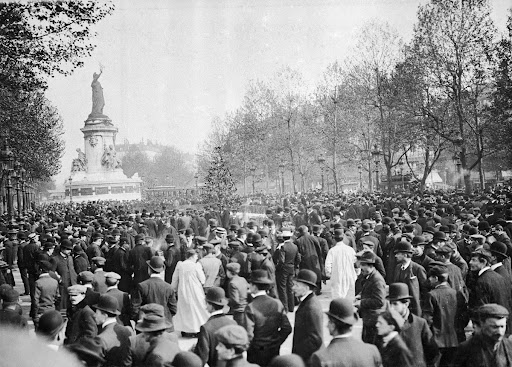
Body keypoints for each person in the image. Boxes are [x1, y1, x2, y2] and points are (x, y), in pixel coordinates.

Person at [310, 298, 382, 367]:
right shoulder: (371, 350)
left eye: (329, 322)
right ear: (351, 326)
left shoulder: (321, 357)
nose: (327, 325)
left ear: (333, 325)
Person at [243, 269, 292, 366]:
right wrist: (277, 341)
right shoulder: (277, 303)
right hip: (274, 349)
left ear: (255, 286)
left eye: (250, 284)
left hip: (256, 352)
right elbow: (287, 328)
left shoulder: (251, 307)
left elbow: (249, 334)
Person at [388, 283, 439, 367]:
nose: (391, 308)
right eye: (390, 303)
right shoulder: (385, 324)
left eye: (395, 304)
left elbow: (432, 352)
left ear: (406, 304)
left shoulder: (420, 323)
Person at [423, 264, 465, 367]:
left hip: (437, 342)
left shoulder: (431, 295)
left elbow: (427, 320)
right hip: (456, 340)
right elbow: (464, 316)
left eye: (430, 277)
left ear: (436, 278)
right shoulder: (458, 294)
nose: (429, 280)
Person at [195, 287, 237, 367]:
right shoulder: (233, 323)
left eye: (206, 303)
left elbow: (202, 358)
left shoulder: (206, 328)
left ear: (210, 305)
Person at [171, 250, 209, 337]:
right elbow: (203, 280)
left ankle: (185, 329)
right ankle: (197, 329)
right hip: (196, 290)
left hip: (183, 290)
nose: (197, 258)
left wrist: (174, 289)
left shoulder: (180, 265)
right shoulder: (196, 266)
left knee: (185, 309)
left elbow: (175, 279)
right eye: (196, 256)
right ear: (192, 256)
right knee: (197, 308)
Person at [133, 256, 177, 330]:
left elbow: (135, 308)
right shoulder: (169, 287)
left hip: (147, 326)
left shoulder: (142, 286)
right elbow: (173, 309)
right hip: (165, 326)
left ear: (149, 269)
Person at [291, 269, 324, 363]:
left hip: (308, 359)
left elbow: (316, 339)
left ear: (305, 288)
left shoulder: (311, 307)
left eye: (296, 285)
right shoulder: (308, 302)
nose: (293, 288)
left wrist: (300, 356)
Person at [354, 251, 386, 345]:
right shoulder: (369, 276)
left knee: (371, 343)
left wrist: (361, 303)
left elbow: (379, 301)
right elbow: (368, 290)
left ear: (371, 266)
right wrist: (360, 295)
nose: (361, 268)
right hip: (368, 318)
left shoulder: (377, 280)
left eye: (363, 265)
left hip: (374, 319)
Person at [93, 294, 132, 367]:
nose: (94, 315)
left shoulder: (101, 338)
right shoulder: (127, 330)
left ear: (105, 315)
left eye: (96, 312)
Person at [392, 241, 427, 316]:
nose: (395, 256)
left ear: (405, 255)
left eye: (398, 254)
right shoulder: (398, 268)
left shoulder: (418, 269)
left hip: (414, 309)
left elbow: (425, 291)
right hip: (400, 310)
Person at [273, 228, 301, 312]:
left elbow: (281, 260)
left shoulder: (282, 247)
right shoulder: (294, 246)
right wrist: (294, 265)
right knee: (290, 287)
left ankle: (285, 308)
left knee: (282, 288)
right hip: (291, 268)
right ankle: (291, 307)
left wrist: (277, 267)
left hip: (284, 269)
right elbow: (298, 258)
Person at [325, 229, 357, 299]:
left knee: (338, 297)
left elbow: (327, 266)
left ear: (334, 239)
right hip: (349, 275)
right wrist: (356, 273)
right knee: (349, 297)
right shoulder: (350, 250)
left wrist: (331, 274)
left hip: (337, 276)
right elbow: (356, 262)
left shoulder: (332, 251)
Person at [51, 239, 78, 311]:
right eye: (68, 249)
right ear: (62, 249)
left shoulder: (70, 258)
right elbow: (52, 272)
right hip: (62, 286)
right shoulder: (55, 259)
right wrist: (59, 279)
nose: (70, 251)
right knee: (62, 304)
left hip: (72, 284)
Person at [34, 260, 60, 329]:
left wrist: (35, 314)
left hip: (41, 310)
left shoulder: (38, 282)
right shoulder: (55, 282)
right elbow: (58, 297)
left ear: (40, 269)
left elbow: (35, 300)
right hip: (52, 309)